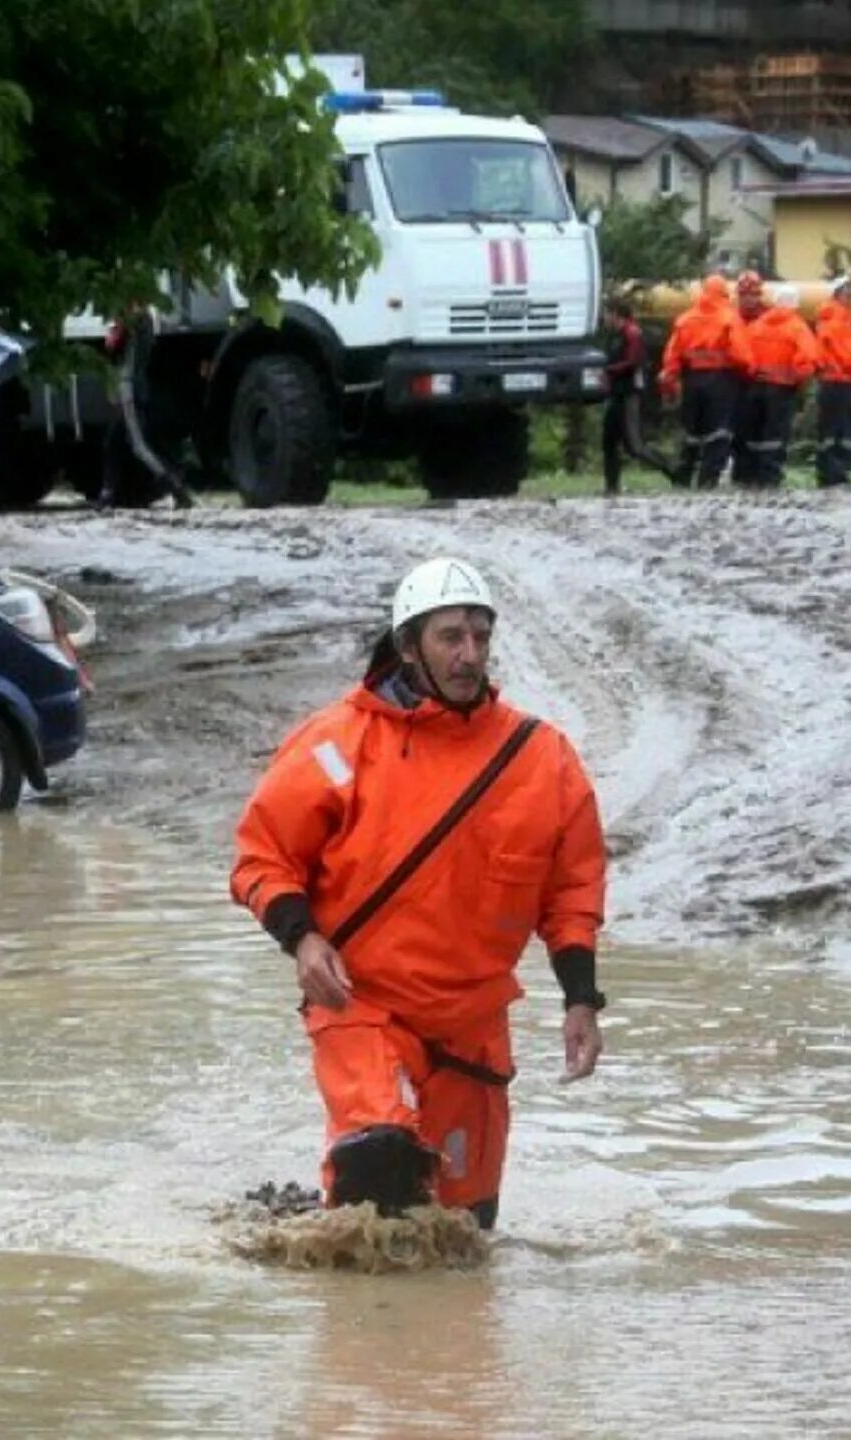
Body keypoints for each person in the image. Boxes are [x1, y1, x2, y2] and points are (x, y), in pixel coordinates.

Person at [230, 558, 607, 1230]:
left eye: (480, 637)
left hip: (473, 1029)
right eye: (450, 637)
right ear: (408, 646)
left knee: (465, 1236)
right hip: (362, 1006)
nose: (469, 655)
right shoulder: (336, 743)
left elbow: (573, 888)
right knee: (380, 1166)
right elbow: (262, 858)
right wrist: (302, 936)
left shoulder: (543, 758)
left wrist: (581, 997)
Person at [659, 274, 753, 490]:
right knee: (719, 432)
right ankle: (707, 481)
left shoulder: (685, 319)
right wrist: (747, 374)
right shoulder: (729, 318)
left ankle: (682, 478)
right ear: (723, 293)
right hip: (721, 381)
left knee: (692, 432)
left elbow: (672, 356)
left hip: (692, 381)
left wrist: (670, 380)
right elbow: (742, 356)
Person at [97, 306, 195, 511]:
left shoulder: (131, 317)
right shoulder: (147, 317)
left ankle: (176, 489)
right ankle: (106, 495)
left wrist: (114, 329)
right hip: (133, 384)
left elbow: (111, 345)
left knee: (138, 445)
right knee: (113, 441)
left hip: (127, 386)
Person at [736, 283, 820, 489]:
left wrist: (750, 374)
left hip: (755, 386)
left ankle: (748, 475)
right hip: (781, 388)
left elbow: (742, 352)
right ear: (794, 305)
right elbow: (808, 358)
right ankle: (770, 477)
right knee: (775, 434)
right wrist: (799, 379)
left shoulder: (758, 325)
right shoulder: (797, 326)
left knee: (754, 432)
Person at [599, 296, 674, 494]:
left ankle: (673, 470)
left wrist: (608, 370)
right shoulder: (613, 336)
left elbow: (633, 362)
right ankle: (611, 486)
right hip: (615, 394)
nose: (604, 317)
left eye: (606, 313)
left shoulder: (631, 333)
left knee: (634, 445)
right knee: (609, 441)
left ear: (616, 314)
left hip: (628, 394)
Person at [814, 273, 851, 488]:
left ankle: (834, 472)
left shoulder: (838, 321)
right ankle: (835, 474)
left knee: (836, 430)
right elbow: (846, 356)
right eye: (849, 292)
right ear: (838, 294)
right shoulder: (835, 321)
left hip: (837, 382)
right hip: (836, 382)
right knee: (837, 430)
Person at [727, 271, 768, 484]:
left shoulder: (768, 317)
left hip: (762, 381)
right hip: (736, 380)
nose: (749, 298)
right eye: (745, 294)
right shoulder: (730, 317)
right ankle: (741, 473)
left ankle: (758, 473)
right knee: (738, 429)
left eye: (753, 294)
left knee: (760, 429)